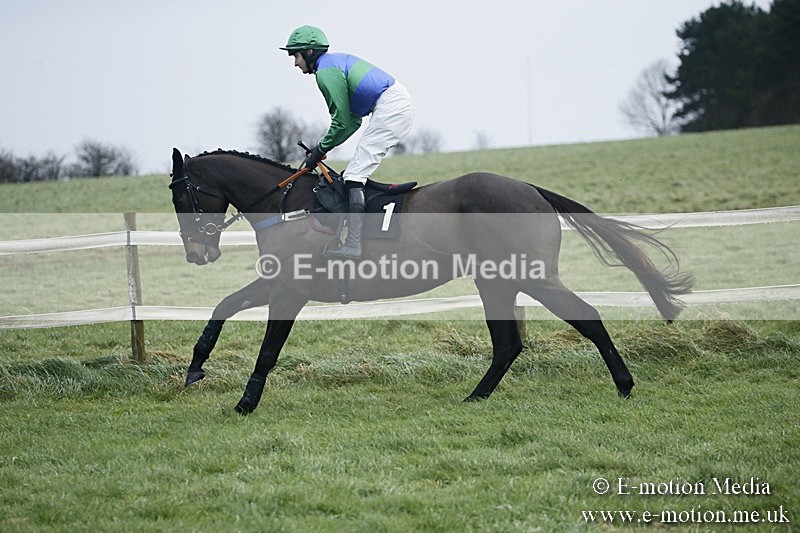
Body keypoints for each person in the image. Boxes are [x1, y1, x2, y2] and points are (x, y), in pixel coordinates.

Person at [280, 25, 414, 258]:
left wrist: (319, 150)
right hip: (392, 105)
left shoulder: (326, 72)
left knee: (353, 176)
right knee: (354, 172)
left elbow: (342, 122)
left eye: (296, 55)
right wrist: (322, 149)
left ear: (310, 52)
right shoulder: (331, 65)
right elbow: (351, 122)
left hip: (390, 107)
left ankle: (353, 244)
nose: (295, 63)